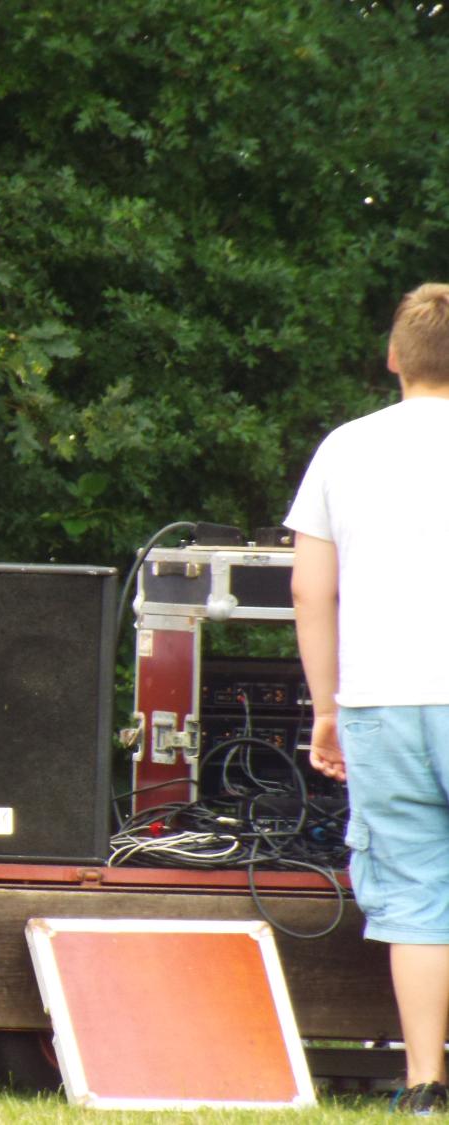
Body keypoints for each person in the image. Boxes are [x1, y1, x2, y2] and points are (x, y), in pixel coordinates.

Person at [287, 281, 449, 1116]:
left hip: (381, 701)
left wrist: (326, 709)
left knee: (416, 896)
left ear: (393, 357)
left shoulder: (344, 448)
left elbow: (311, 590)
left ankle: (425, 1081)